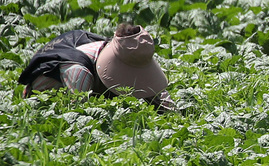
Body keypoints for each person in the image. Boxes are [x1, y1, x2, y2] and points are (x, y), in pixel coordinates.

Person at [18, 23, 177, 113]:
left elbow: (155, 93)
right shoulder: (79, 72)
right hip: (43, 104)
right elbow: (80, 116)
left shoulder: (128, 52)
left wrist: (172, 113)